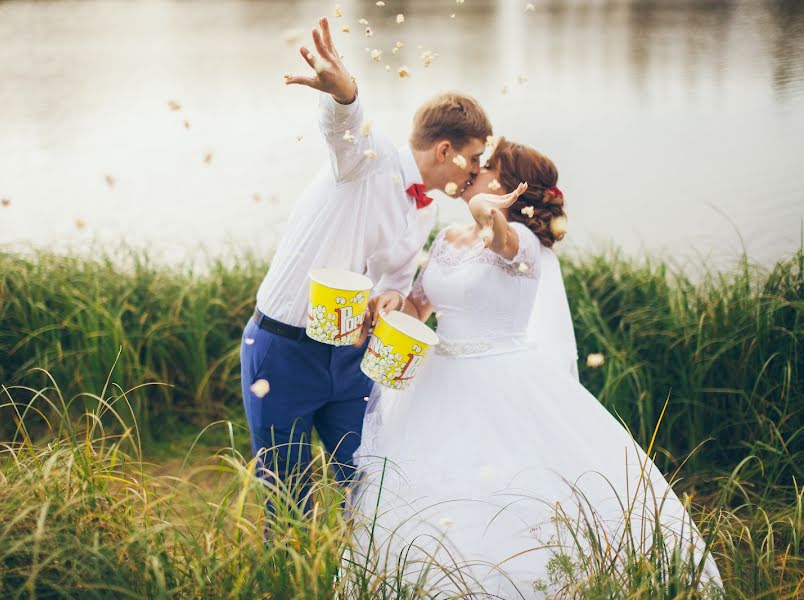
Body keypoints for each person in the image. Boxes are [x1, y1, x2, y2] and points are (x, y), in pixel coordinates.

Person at [352, 139, 722, 597]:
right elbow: (419, 307)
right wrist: (394, 303)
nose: (475, 170)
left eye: (488, 167)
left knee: (502, 490)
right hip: (435, 385)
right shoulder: (447, 239)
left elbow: (503, 243)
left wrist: (490, 215)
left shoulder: (523, 243)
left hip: (500, 383)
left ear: (511, 186)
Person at [239, 16, 493, 509]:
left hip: (352, 358)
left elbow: (393, 281)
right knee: (288, 501)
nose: (478, 174)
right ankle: (292, 581)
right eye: (475, 160)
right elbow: (344, 128)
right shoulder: (366, 159)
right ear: (445, 150)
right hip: (283, 349)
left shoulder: (426, 210)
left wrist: (393, 297)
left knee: (368, 489)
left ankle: (364, 582)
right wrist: (345, 92)